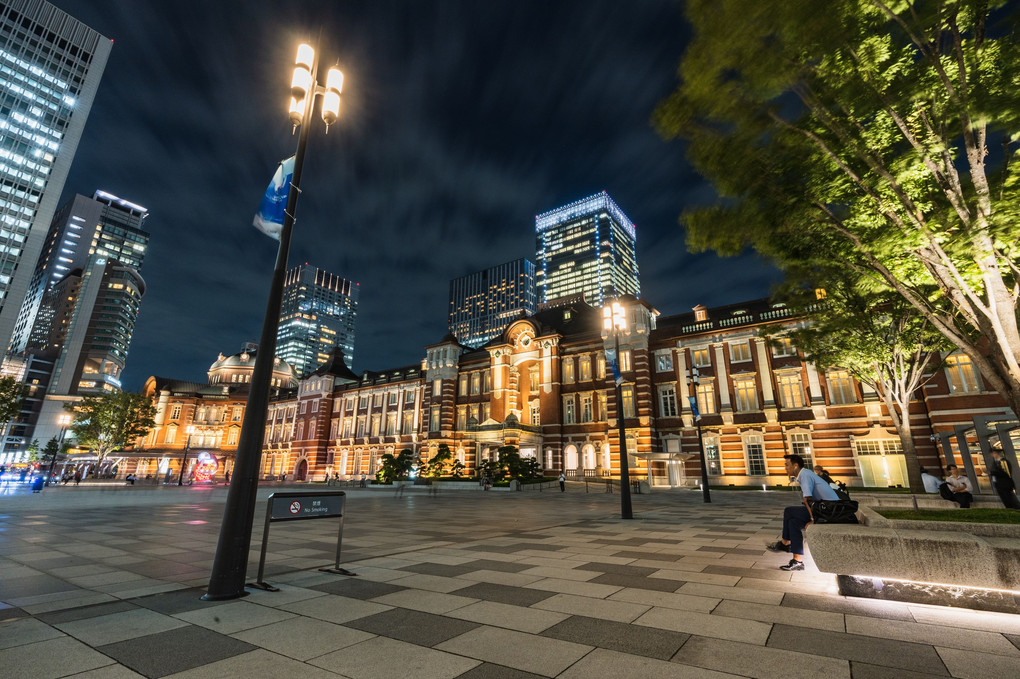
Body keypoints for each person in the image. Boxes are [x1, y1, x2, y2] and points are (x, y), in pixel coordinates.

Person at [766, 454, 840, 571]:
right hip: (826, 508)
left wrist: (812, 520)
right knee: (793, 522)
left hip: (829, 511)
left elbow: (808, 499)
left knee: (789, 511)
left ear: (795, 466)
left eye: (787, 465)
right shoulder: (805, 474)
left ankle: (785, 543)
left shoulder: (804, 475)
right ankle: (797, 561)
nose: (785, 468)